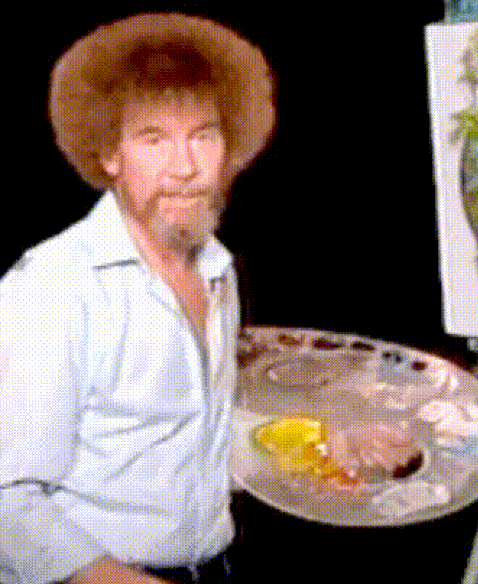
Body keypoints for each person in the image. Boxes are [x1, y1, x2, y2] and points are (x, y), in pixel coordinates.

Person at [0, 13, 274, 584]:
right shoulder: (53, 287)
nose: (186, 168)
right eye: (154, 139)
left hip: (216, 567)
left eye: (204, 135)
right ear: (110, 156)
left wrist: (330, 446)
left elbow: (195, 435)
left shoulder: (217, 270)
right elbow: (9, 502)